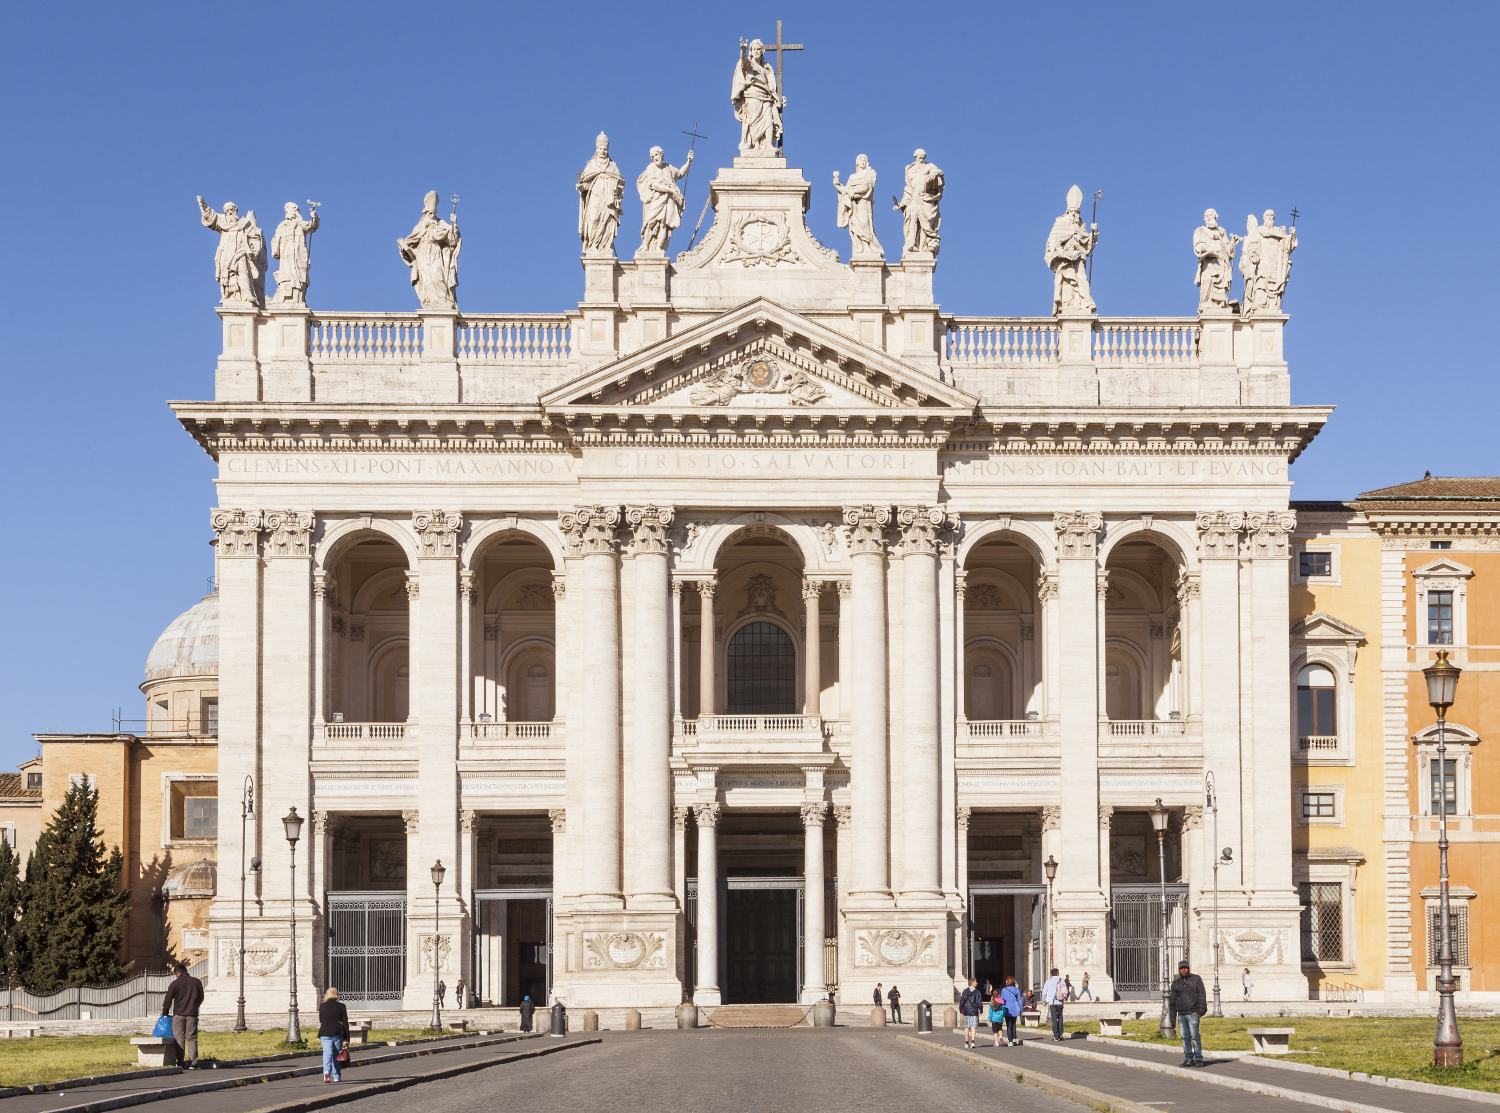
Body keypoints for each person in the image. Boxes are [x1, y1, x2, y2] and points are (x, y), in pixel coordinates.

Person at [160, 962, 204, 1068]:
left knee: (179, 1038)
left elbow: (168, 1000)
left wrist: (165, 1013)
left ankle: (180, 1063)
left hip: (178, 1015)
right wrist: (194, 1006)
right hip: (192, 1015)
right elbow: (201, 997)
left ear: (178, 973)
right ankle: (193, 1063)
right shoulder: (196, 982)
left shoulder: (175, 983)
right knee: (192, 1038)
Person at [1169, 960, 1208, 1067]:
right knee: (1185, 1037)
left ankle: (1199, 1059)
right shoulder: (1176, 983)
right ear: (1178, 970)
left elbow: (1202, 995)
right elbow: (1172, 1002)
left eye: (1185, 968)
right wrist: (1172, 1020)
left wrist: (1201, 1011)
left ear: (1188, 969)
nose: (1184, 970)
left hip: (1193, 1013)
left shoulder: (1196, 979)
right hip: (1181, 1015)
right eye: (1182, 968)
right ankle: (1189, 1059)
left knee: (1195, 1036)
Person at [319, 986, 350, 1083]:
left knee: (327, 1053)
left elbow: (321, 1019)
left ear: (327, 995)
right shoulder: (342, 1006)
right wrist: (347, 1038)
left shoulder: (322, 1006)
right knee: (337, 1054)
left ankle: (326, 1072)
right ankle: (336, 1077)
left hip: (325, 1032)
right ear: (337, 995)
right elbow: (345, 1022)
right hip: (337, 1032)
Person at [1042, 967, 1065, 1041]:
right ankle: (1061, 1033)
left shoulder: (1048, 981)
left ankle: (1056, 1036)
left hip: (1052, 1003)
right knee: (1060, 1017)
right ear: (1058, 973)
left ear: (1051, 974)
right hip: (1060, 1002)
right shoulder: (1062, 980)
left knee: (1054, 1018)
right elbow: (1065, 991)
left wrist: (1044, 1001)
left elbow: (1044, 992)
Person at [959, 977, 983, 1049]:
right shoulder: (977, 992)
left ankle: (966, 1042)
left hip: (966, 1010)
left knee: (967, 1027)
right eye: (976, 982)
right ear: (973, 983)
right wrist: (980, 1010)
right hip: (974, 1010)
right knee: (973, 1026)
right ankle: (972, 1042)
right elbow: (979, 1002)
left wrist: (961, 1010)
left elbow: (962, 1001)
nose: (977, 983)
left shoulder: (965, 991)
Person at [1000, 977, 1024, 1046]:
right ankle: (1014, 1039)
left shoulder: (1004, 990)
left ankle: (1010, 1040)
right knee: (1013, 1023)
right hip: (1015, 1007)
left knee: (1009, 1024)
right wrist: (1021, 1009)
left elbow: (1002, 1000)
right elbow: (1019, 1000)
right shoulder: (1017, 990)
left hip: (1007, 1008)